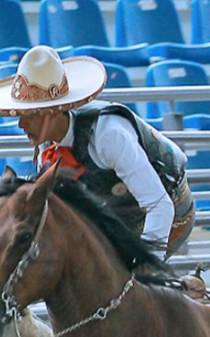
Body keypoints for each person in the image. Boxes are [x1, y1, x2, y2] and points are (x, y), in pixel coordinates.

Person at [0, 45, 195, 261]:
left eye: (29, 114)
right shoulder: (48, 148)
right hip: (119, 218)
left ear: (52, 112)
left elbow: (159, 204)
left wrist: (147, 266)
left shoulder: (108, 134)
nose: (20, 124)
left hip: (170, 211)